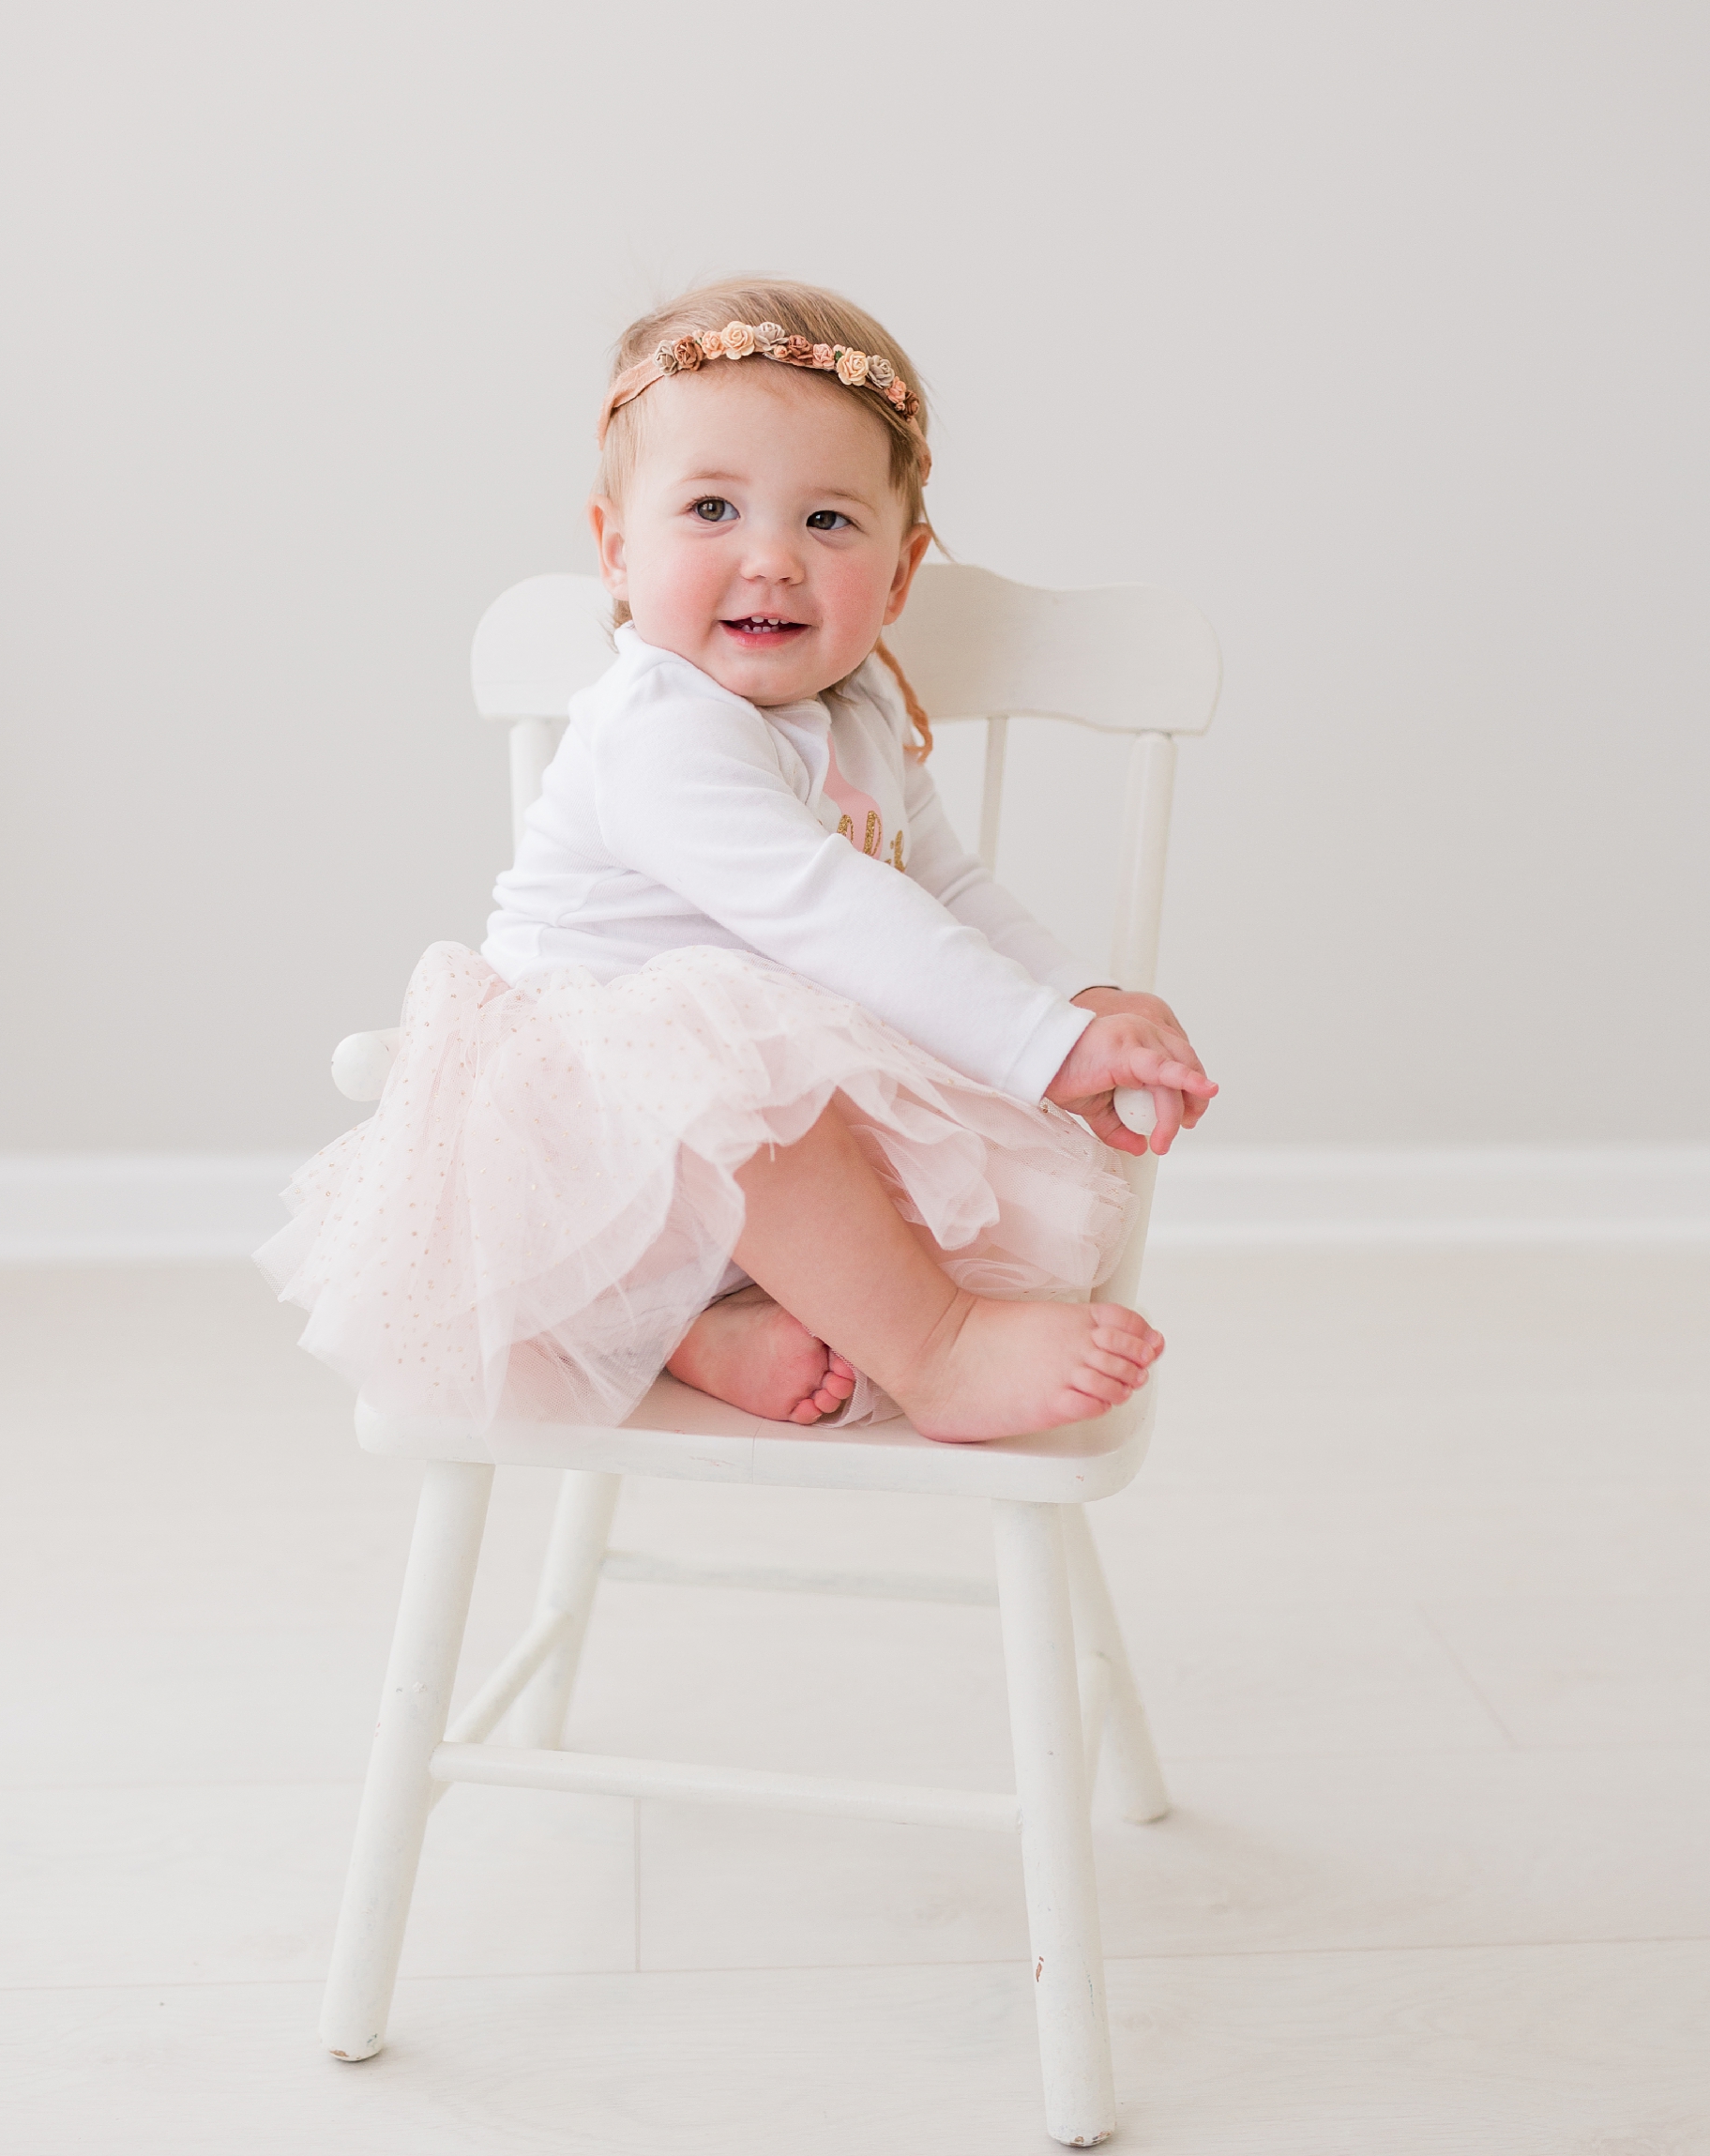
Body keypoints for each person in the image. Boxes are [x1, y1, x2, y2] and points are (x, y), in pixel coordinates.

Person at [258, 278, 1216, 1445]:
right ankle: (937, 1346)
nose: (770, 558)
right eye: (712, 508)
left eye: (827, 522)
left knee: (774, 1079)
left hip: (739, 1185)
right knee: (732, 1050)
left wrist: (1073, 998)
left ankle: (692, 1326)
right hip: (575, 1145)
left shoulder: (860, 706)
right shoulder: (655, 724)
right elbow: (821, 905)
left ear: (901, 574)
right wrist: (1034, 1047)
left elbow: (942, 885)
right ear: (615, 550)